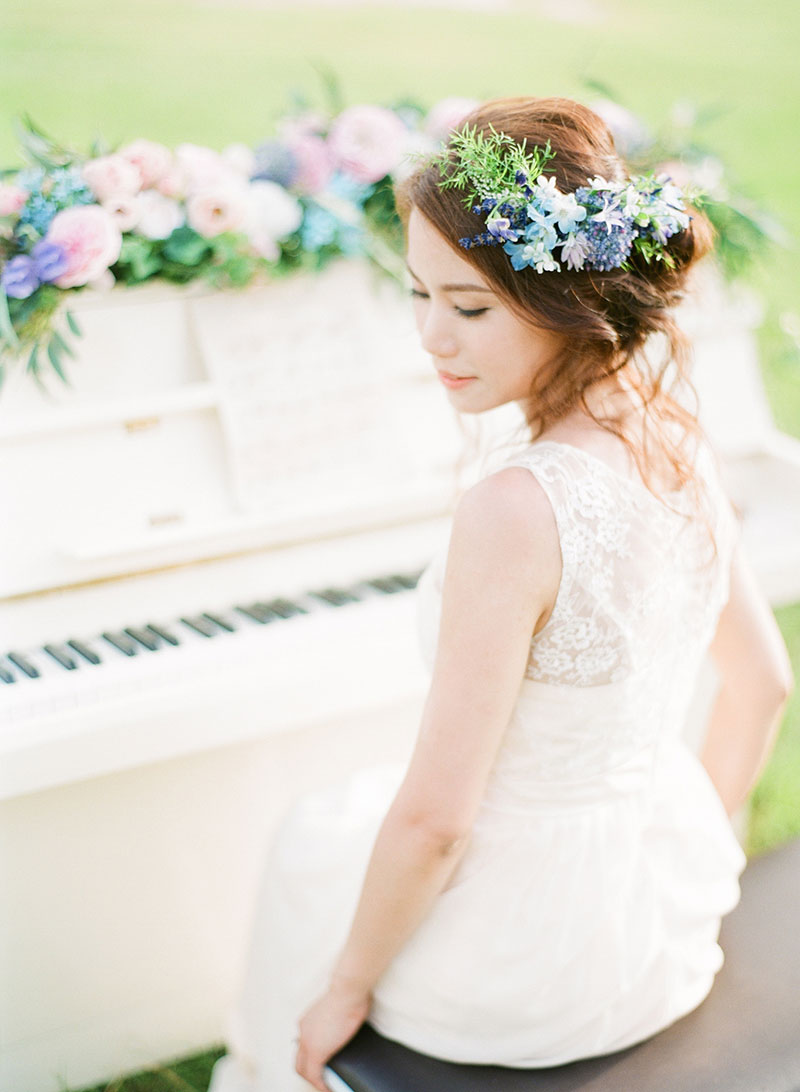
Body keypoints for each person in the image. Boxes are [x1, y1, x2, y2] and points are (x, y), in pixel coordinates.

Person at [209, 97, 794, 1092]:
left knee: (310, 845)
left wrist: (343, 989)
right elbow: (763, 685)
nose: (431, 336)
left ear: (570, 298)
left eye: (468, 307)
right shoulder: (677, 445)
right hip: (655, 928)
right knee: (338, 828)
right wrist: (699, 856)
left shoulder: (516, 509)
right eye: (416, 293)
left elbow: (437, 821)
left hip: (526, 976)